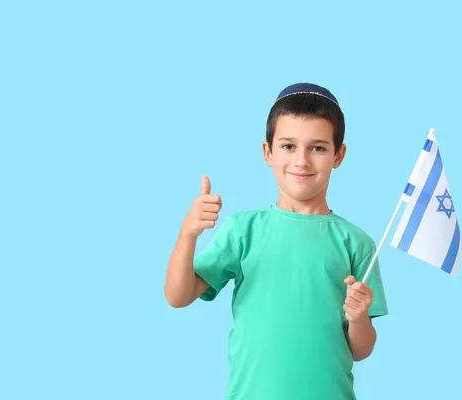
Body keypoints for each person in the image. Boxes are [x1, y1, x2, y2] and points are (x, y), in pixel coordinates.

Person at [164, 82, 389, 399]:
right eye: (288, 146)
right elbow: (177, 296)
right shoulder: (243, 230)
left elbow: (361, 350)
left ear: (338, 155)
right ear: (267, 151)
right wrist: (188, 233)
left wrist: (358, 316)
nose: (302, 161)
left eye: (318, 148)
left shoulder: (357, 243)